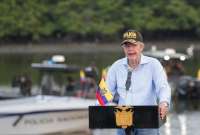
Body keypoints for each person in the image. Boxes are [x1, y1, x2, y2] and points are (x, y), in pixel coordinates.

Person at [106, 29, 171, 135]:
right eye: (127, 46)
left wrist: (164, 102)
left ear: (141, 47)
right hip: (123, 117)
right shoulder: (116, 66)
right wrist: (98, 105)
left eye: (133, 45)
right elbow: (106, 92)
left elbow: (163, 87)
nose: (130, 49)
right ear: (123, 48)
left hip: (147, 117)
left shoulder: (154, 64)